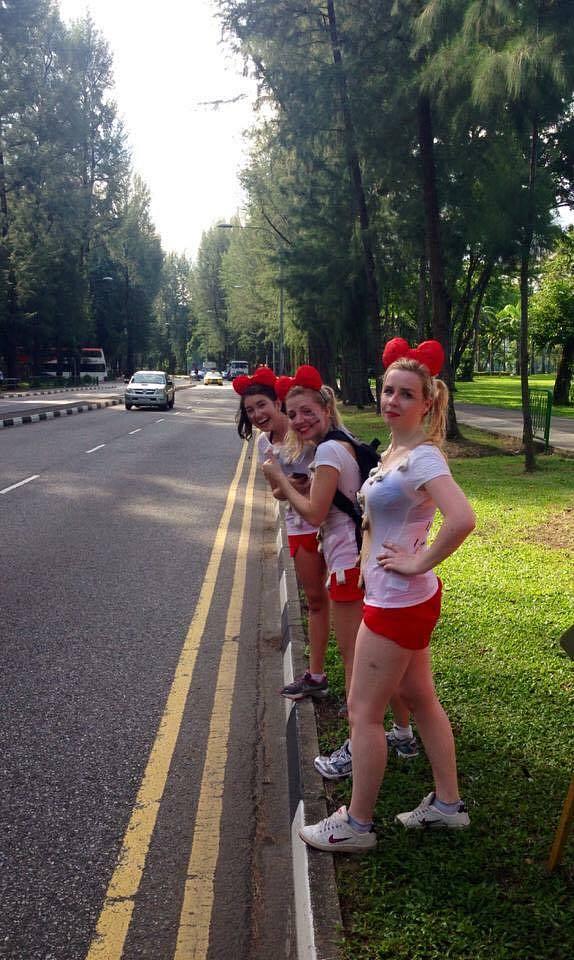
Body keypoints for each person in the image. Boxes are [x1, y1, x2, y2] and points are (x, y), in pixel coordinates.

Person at [298, 338, 476, 853]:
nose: (392, 400)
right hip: (403, 597)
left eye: (406, 393)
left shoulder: (423, 458)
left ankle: (356, 825)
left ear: (427, 402)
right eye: (388, 390)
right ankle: (448, 806)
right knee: (420, 698)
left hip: (398, 600)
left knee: (364, 712)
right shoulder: (397, 452)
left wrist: (418, 560)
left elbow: (462, 519)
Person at [263, 365, 367, 780]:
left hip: (347, 563)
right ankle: (399, 733)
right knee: (377, 655)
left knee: (355, 657)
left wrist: (281, 480)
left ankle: (359, 743)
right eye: (293, 414)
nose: (300, 420)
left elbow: (313, 513)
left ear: (326, 407)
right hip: (355, 557)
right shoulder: (342, 441)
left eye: (307, 411)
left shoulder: (327, 451)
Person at [234, 365, 330, 700]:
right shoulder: (264, 444)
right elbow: (276, 491)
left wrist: (295, 484)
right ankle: (316, 674)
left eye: (261, 405)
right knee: (315, 600)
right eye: (250, 410)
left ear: (277, 402)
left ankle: (356, 678)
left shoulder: (302, 428)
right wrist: (290, 484)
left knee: (345, 600)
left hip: (333, 524)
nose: (257, 414)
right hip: (300, 525)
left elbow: (330, 469)